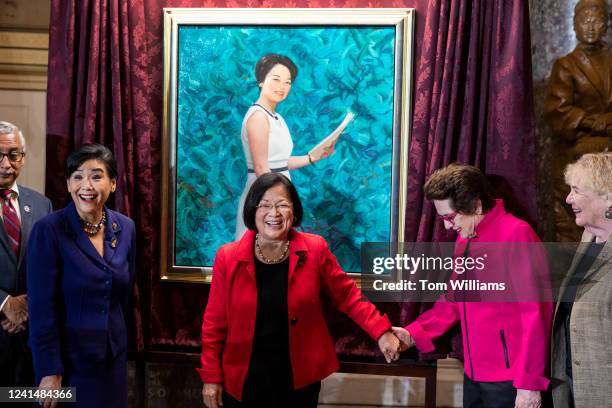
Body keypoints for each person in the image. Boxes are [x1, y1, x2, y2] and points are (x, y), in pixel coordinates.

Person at [200, 173, 400, 408]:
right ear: (252, 211)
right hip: (243, 378)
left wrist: (381, 331)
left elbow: (347, 296)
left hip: (297, 379)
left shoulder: (315, 249)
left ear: (293, 211)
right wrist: (211, 378)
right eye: (264, 205)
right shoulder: (228, 256)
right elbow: (214, 323)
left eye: (282, 205)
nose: (274, 213)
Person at [392, 164, 552, 408]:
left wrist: (529, 383)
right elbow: (454, 301)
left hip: (510, 380)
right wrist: (413, 333)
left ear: (476, 205)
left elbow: (536, 313)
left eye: (450, 217)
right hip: (473, 373)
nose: (447, 226)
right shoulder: (464, 238)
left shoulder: (517, 234)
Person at [27, 144, 136, 408]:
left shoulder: (125, 227)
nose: (86, 185)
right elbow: (42, 309)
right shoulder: (49, 230)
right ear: (67, 184)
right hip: (68, 365)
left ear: (112, 184)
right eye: (77, 176)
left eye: (96, 176)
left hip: (112, 360)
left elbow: (124, 295)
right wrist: (49, 371)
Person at [235, 54, 335, 238]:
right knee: (259, 250)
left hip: (278, 190)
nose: (282, 87)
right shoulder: (258, 116)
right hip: (263, 194)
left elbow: (280, 162)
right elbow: (261, 167)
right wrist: (276, 203)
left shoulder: (277, 118)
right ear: (261, 81)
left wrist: (313, 157)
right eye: (276, 79)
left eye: (287, 82)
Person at [544, 0, 612, 241]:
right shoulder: (567, 66)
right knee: (574, 228)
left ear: (607, 24)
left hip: (609, 152)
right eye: (585, 20)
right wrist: (594, 122)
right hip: (578, 153)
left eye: (597, 20)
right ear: (574, 24)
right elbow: (557, 111)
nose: (591, 26)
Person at [551, 152, 612, 407]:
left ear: (608, 197)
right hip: (573, 386)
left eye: (576, 190)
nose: (568, 199)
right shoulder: (588, 240)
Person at [0, 121, 52, 389]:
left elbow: (52, 266)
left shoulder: (42, 204)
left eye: (13, 154)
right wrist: (5, 303)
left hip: (32, 339)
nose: (6, 164)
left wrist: (29, 303)